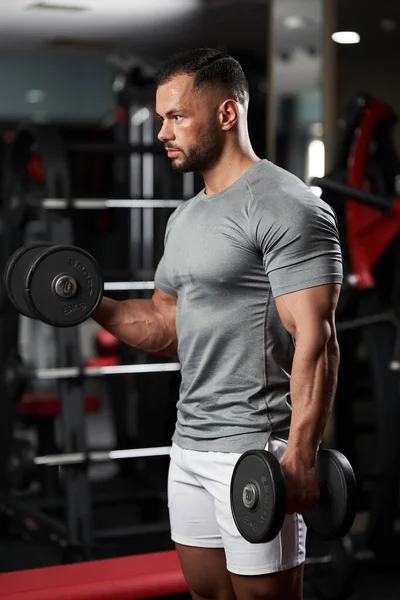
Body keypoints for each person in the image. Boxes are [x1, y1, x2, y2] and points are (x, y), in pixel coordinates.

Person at [93, 48, 342, 600]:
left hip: (254, 447)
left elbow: (316, 339)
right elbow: (164, 324)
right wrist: (87, 302)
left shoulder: (286, 205)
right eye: (161, 118)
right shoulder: (186, 217)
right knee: (207, 595)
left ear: (228, 114)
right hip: (188, 447)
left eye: (176, 116)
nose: (163, 131)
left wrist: (300, 451)